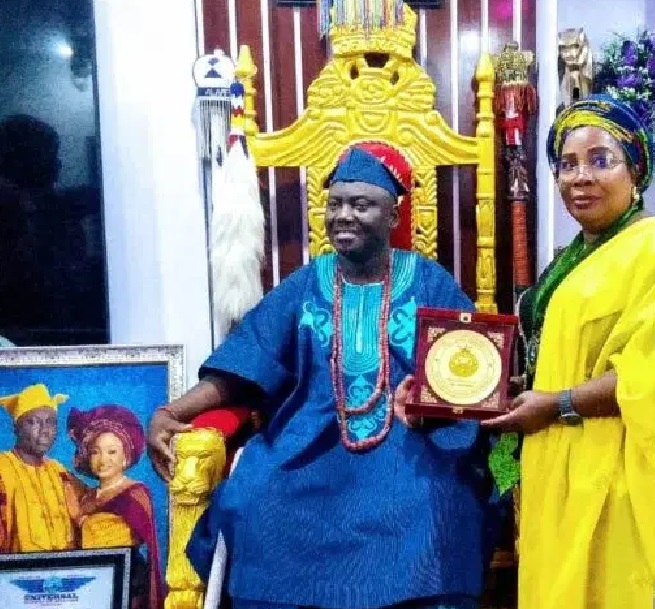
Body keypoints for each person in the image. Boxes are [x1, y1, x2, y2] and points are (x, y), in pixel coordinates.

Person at [147, 145, 499, 609]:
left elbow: (475, 369)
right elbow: (247, 363)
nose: (344, 216)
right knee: (257, 499)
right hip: (307, 445)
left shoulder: (428, 280)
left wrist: (428, 403)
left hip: (411, 446)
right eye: (335, 204)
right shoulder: (306, 283)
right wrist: (171, 410)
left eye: (361, 205)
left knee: (438, 503)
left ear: (393, 216)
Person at [479, 94, 655, 609]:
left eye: (601, 160)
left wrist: (557, 403)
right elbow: (571, 354)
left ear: (635, 171)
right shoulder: (573, 257)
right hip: (564, 463)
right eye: (568, 164)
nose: (581, 177)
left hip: (628, 476)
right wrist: (521, 389)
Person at [65, 404, 164, 609]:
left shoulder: (135, 493)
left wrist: (79, 519)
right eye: (95, 452)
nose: (103, 460)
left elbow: (108, 541)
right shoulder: (88, 495)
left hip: (126, 577)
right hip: (91, 579)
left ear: (125, 457)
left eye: (112, 452)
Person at [0, 383, 77, 552]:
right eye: (33, 422)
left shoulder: (59, 472)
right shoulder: (3, 469)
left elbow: (89, 506)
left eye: (50, 422)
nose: (44, 430)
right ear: (16, 428)